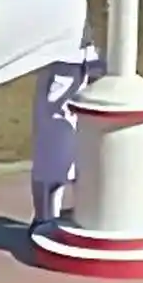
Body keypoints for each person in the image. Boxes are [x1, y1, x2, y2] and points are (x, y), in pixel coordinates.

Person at [29, 25, 106, 233]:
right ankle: (45, 219)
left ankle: (80, 213)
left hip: (84, 56)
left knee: (85, 140)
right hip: (62, 58)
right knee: (54, 142)